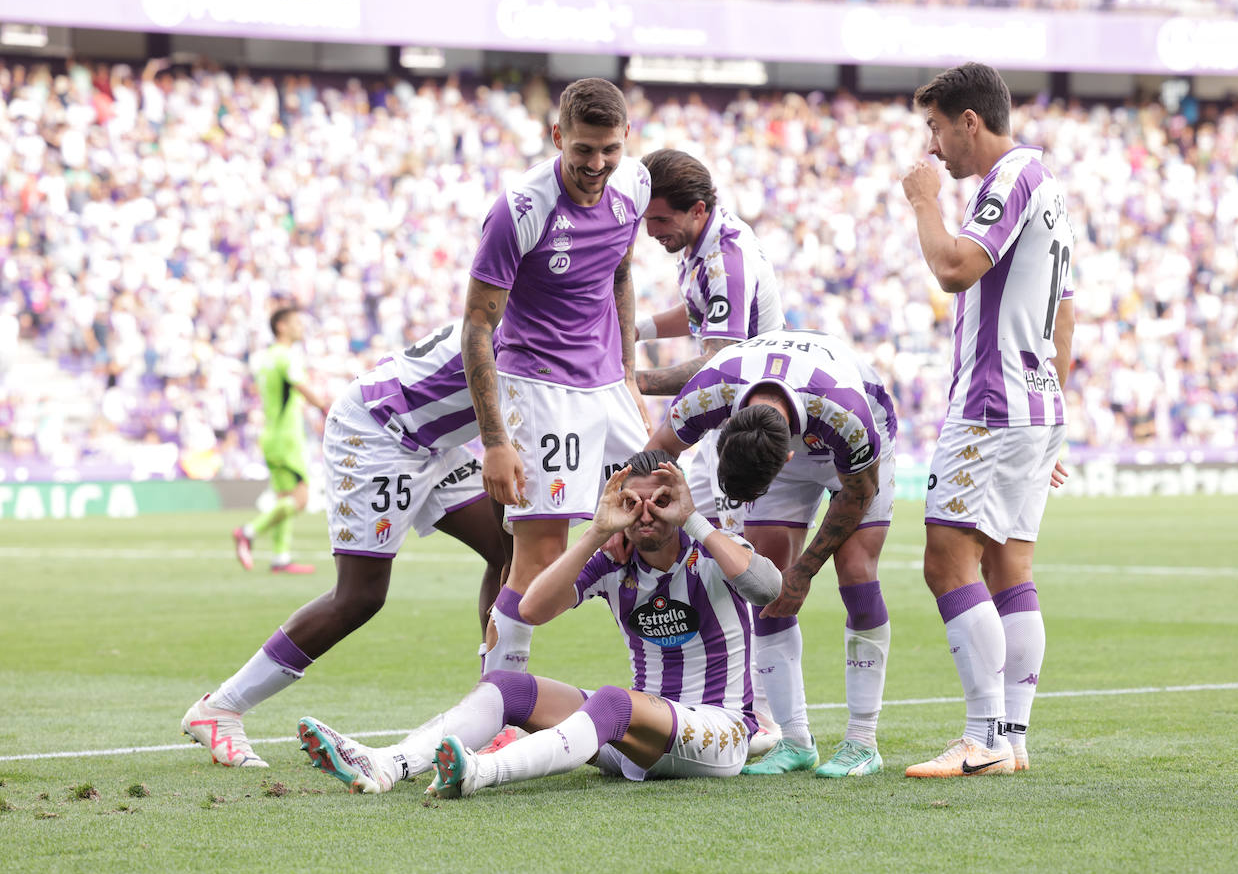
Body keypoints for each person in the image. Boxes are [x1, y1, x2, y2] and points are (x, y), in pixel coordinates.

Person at [295, 451, 782, 795]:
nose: (646, 514)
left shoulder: (712, 549)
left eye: (660, 500)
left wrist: (695, 520)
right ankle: (387, 764)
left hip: (719, 736)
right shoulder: (614, 559)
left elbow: (768, 588)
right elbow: (532, 610)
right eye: (632, 504)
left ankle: (482, 772)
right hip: (633, 738)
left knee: (613, 700)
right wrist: (595, 532)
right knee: (509, 686)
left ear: (680, 502)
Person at [182, 323, 509, 767]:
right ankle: (219, 708)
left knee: (505, 547)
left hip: (429, 440)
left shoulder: (543, 309)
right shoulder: (535, 322)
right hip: (379, 430)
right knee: (359, 596)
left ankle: (494, 711)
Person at [900, 61, 1075, 777]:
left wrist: (923, 202)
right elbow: (1066, 309)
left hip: (993, 402)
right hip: (1030, 403)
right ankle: (1012, 737)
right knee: (1010, 565)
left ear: (971, 121)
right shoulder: (1049, 186)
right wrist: (1050, 408)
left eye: (938, 129)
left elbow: (953, 268)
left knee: (946, 560)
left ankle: (982, 740)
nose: (934, 147)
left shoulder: (1010, 179)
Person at [461, 77, 653, 676]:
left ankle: (684, 681)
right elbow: (475, 327)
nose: (596, 165)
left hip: (607, 388)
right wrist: (495, 442)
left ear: (626, 140)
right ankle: (497, 705)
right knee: (538, 559)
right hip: (541, 391)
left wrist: (630, 376)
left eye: (609, 150)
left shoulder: (635, 187)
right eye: (583, 151)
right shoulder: (519, 210)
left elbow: (620, 274)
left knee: (674, 513)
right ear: (556, 137)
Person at [643, 329, 898, 778]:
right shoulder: (708, 393)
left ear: (782, 462)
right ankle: (795, 739)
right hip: (780, 429)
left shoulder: (846, 412)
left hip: (857, 453)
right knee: (766, 585)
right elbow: (656, 452)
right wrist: (627, 516)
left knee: (856, 572)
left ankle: (863, 740)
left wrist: (805, 571)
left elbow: (857, 495)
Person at [634, 147, 785, 533]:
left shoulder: (725, 261)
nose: (651, 231)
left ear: (698, 209)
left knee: (733, 552)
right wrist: (637, 331)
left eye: (661, 219)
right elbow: (702, 312)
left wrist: (632, 381)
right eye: (647, 219)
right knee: (685, 535)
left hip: (746, 422)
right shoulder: (702, 239)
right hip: (723, 413)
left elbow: (718, 363)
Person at [232, 306, 330, 574]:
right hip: (287, 438)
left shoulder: (265, 359)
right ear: (281, 326)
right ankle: (249, 532)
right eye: (296, 322)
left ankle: (280, 558)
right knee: (300, 499)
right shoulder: (286, 357)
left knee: (284, 498)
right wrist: (325, 408)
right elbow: (300, 386)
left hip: (271, 434)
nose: (301, 327)